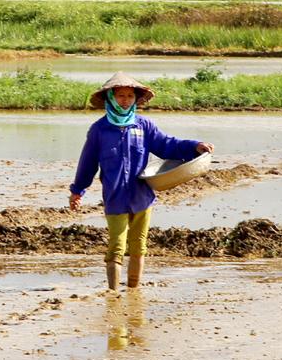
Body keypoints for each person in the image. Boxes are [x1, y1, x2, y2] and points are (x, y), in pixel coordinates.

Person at [69, 72, 214, 292]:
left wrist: (195, 146)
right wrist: (78, 189)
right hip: (115, 196)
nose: (125, 100)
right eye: (120, 96)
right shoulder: (99, 130)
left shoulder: (143, 126)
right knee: (116, 246)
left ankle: (133, 291)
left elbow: (167, 145)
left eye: (129, 95)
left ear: (136, 98)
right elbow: (87, 162)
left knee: (139, 246)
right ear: (110, 98)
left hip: (142, 196)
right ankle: (113, 293)